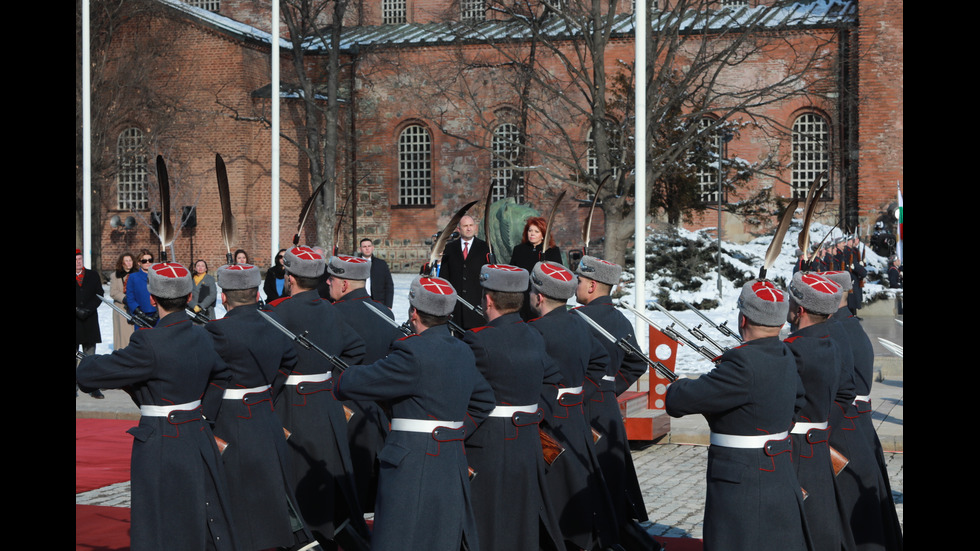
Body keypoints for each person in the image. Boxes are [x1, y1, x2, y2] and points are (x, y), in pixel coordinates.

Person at [75, 262, 239, 551]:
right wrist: (204, 414)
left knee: (159, 518)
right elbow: (221, 374)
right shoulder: (202, 334)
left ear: (152, 298)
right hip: (197, 431)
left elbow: (89, 375)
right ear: (189, 297)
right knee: (196, 509)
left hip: (161, 441)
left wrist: (88, 361)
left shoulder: (148, 342)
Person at [332, 276, 495, 551]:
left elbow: (351, 384)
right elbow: (483, 400)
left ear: (414, 312)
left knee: (400, 537)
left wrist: (343, 376)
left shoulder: (411, 351)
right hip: (451, 458)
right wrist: (453, 433)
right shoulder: (463, 351)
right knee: (440, 536)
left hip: (411, 460)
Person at [665, 279, 810, 551]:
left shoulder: (742, 361)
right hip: (778, 466)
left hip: (742, 476)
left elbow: (678, 401)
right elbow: (798, 401)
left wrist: (680, 383)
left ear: (742, 319)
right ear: (780, 323)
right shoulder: (785, 352)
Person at [206, 262, 320, 551]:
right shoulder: (273, 322)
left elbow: (208, 375)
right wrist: (269, 389)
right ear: (257, 294)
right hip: (265, 413)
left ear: (223, 297)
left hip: (231, 419)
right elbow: (288, 361)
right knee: (272, 488)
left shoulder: (217, 331)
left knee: (236, 496)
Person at [266, 246, 370, 549]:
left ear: (289, 277)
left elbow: (269, 360)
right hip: (325, 403)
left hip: (289, 404)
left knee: (295, 479)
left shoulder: (277, 312)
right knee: (325, 474)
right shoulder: (329, 309)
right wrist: (330, 380)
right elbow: (355, 349)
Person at [461, 264, 565, 551]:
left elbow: (463, 393)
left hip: (488, 442)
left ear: (488, 300)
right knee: (520, 521)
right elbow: (554, 382)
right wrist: (532, 415)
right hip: (527, 440)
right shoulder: (533, 334)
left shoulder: (477, 339)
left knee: (486, 523)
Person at [527, 261, 618, 551]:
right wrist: (575, 394)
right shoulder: (578, 322)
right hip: (575, 419)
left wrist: (551, 401)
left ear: (538, 297)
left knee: (552, 500)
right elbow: (601, 362)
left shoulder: (535, 332)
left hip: (546, 427)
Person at [573, 255, 659, 549]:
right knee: (610, 480)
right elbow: (637, 363)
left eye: (580, 280)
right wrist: (610, 388)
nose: (576, 284)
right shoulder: (620, 319)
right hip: (606, 408)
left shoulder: (576, 320)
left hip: (581, 405)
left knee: (583, 480)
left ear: (593, 285)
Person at [820, 271, 904, 550]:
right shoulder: (848, 324)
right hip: (858, 427)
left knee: (855, 519)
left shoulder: (834, 331)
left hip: (844, 430)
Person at [325, 254, 403, 513]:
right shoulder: (386, 313)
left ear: (344, 285)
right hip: (378, 413)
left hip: (341, 410)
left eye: (332, 279)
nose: (328, 283)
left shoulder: (331, 315)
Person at [784, 272, 850, 551]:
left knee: (793, 530)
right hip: (818, 446)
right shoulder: (831, 344)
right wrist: (819, 428)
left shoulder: (791, 351)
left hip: (793, 451)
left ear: (798, 310)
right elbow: (846, 393)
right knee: (821, 527)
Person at [439, 215, 491, 329]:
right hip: (456, 306)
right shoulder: (450, 248)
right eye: (465, 226)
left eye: (471, 225)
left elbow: (491, 276)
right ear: (459, 229)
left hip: (477, 304)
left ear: (475, 227)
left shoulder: (485, 248)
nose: (469, 228)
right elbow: (444, 277)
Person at [510, 216, 562, 320]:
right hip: (522, 297)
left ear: (543, 234)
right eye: (530, 230)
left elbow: (557, 274)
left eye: (536, 231)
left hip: (542, 297)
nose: (532, 234)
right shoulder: (519, 250)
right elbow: (513, 272)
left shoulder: (552, 251)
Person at [76, 249, 105, 399]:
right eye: (76, 260)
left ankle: (92, 386)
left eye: (80, 259)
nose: (78, 262)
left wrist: (88, 309)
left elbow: (99, 294)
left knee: (90, 356)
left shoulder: (92, 275)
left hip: (89, 319)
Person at [108, 251, 137, 350]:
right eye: (126, 261)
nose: (129, 263)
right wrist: (125, 298)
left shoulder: (137, 274)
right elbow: (113, 292)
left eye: (130, 260)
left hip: (135, 308)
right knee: (122, 336)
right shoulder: (115, 276)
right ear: (122, 263)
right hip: (121, 309)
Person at [358, 238, 395, 308]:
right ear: (360, 249)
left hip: (378, 302)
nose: (367, 248)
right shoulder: (354, 264)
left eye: (369, 246)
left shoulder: (381, 264)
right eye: (364, 247)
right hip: (359, 301)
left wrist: (389, 305)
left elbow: (389, 285)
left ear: (373, 248)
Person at [126, 249, 159, 326]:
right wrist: (140, 313)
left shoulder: (158, 276)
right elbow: (130, 297)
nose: (147, 262)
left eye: (150, 260)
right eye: (144, 261)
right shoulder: (133, 277)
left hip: (157, 315)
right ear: (139, 263)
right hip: (141, 317)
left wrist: (157, 314)